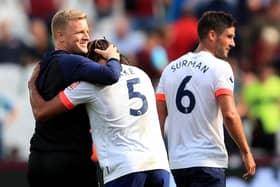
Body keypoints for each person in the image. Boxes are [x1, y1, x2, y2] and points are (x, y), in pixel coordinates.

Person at [28, 38, 171, 187]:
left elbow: (42, 112)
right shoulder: (142, 74)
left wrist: (32, 86)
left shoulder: (91, 84)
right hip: (159, 164)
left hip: (123, 169)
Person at [155, 11, 256, 187]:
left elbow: (158, 121)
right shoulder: (220, 68)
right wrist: (246, 152)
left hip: (178, 164)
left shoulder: (169, 70)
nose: (233, 43)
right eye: (229, 36)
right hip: (208, 162)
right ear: (212, 35)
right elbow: (230, 115)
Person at [27, 9, 121, 187]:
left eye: (87, 31)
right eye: (79, 32)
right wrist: (113, 57)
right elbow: (111, 75)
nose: (86, 36)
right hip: (69, 162)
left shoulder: (44, 64)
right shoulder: (72, 62)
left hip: (38, 160)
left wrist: (31, 87)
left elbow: (39, 109)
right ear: (60, 37)